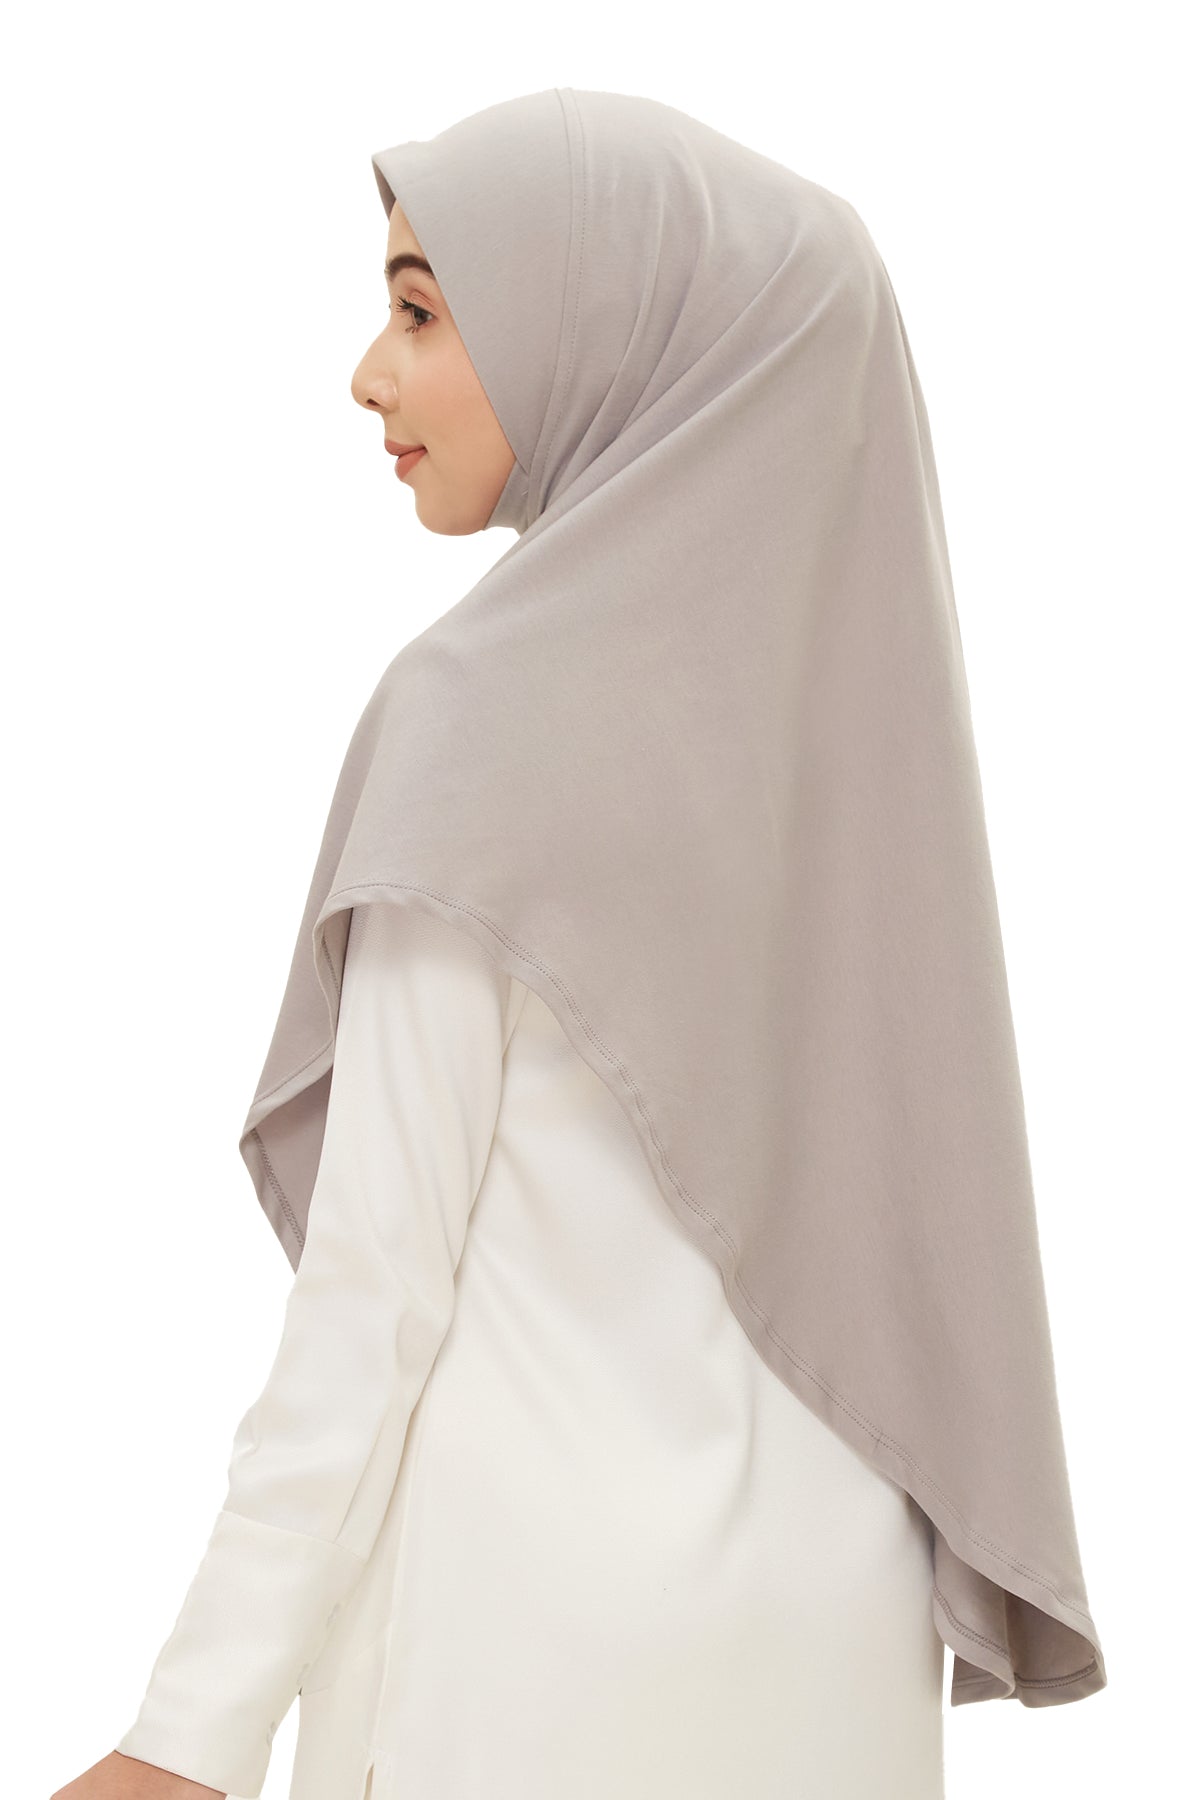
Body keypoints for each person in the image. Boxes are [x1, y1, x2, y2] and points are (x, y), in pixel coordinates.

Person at [52, 86, 1105, 1800]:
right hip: (832, 1680)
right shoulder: (867, 776)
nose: (369, 375)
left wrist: (186, 1739)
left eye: (420, 311)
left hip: (510, 1676)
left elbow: (374, 1299)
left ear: (593, 327)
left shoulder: (482, 721)